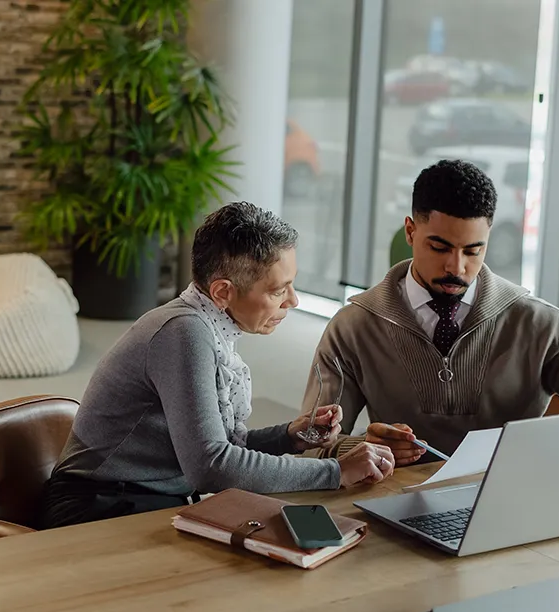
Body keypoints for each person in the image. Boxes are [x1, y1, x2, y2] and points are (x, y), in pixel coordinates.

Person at [40, 201, 396, 530]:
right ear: (223, 292)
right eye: (278, 290)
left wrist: (290, 436)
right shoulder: (183, 333)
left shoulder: (207, 326)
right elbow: (211, 466)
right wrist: (334, 471)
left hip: (146, 497)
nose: (293, 300)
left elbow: (214, 446)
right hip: (97, 509)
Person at [301, 159, 559, 466]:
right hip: (394, 500)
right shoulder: (352, 327)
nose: (456, 267)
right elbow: (310, 442)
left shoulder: (538, 323)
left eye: (473, 251)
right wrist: (361, 448)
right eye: (440, 247)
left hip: (511, 501)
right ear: (411, 231)